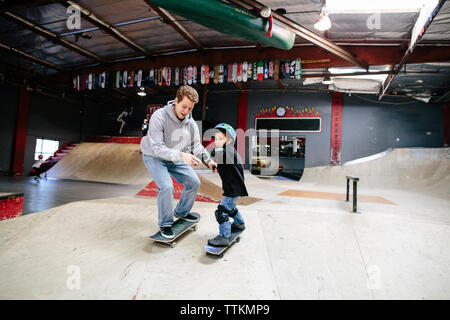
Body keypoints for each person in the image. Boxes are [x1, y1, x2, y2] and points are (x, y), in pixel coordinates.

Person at [140, 85, 217, 239]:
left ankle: (181, 212)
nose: (186, 111)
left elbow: (197, 146)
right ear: (175, 101)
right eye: (184, 106)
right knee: (166, 186)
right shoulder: (159, 116)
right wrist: (182, 156)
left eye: (190, 108)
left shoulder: (191, 123)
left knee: (194, 181)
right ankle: (165, 223)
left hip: (175, 157)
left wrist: (209, 161)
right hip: (154, 156)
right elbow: (157, 148)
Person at [207, 123, 248, 247]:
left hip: (232, 189)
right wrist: (214, 164)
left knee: (222, 212)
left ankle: (224, 237)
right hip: (233, 188)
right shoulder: (228, 152)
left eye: (220, 139)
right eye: (215, 138)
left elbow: (214, 152)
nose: (216, 141)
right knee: (230, 208)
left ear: (229, 140)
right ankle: (239, 223)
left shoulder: (227, 152)